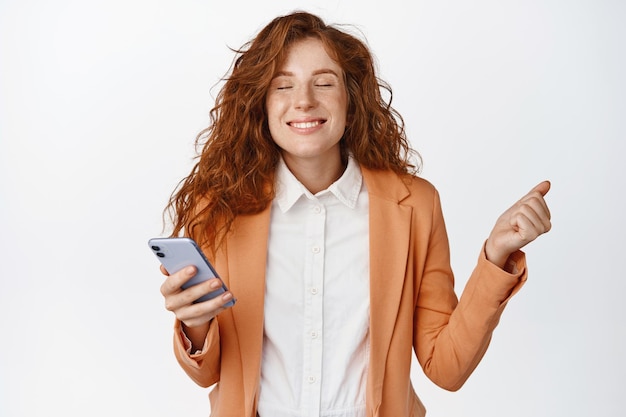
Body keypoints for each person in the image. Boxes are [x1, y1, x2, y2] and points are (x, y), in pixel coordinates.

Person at [158, 11, 551, 417]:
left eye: (324, 82)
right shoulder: (220, 206)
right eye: (283, 85)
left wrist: (496, 255)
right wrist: (194, 324)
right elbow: (208, 375)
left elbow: (446, 367)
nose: (304, 100)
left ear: (352, 97)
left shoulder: (414, 206)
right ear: (261, 103)